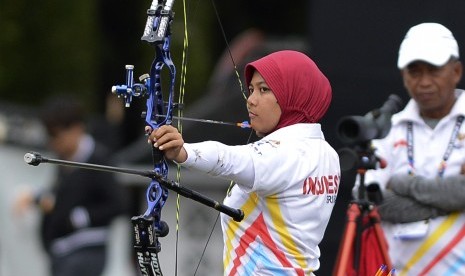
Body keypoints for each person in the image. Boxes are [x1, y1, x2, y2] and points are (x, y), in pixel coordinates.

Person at [147, 50, 341, 275]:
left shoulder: (286, 154)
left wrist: (183, 152)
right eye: (251, 90)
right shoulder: (326, 153)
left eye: (264, 90)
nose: (251, 100)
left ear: (294, 94)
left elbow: (230, 159)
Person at [359, 22, 465, 274]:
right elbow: (370, 202)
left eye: (434, 70)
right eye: (415, 72)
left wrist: (402, 184)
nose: (424, 82)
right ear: (403, 76)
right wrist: (453, 198)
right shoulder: (387, 129)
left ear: (456, 71)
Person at [15, 95, 128, 276]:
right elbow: (61, 199)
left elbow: (118, 203)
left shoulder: (98, 160)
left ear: (76, 129)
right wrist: (37, 199)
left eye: (56, 135)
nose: (53, 142)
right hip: (61, 254)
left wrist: (79, 218)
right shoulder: (63, 160)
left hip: (85, 253)